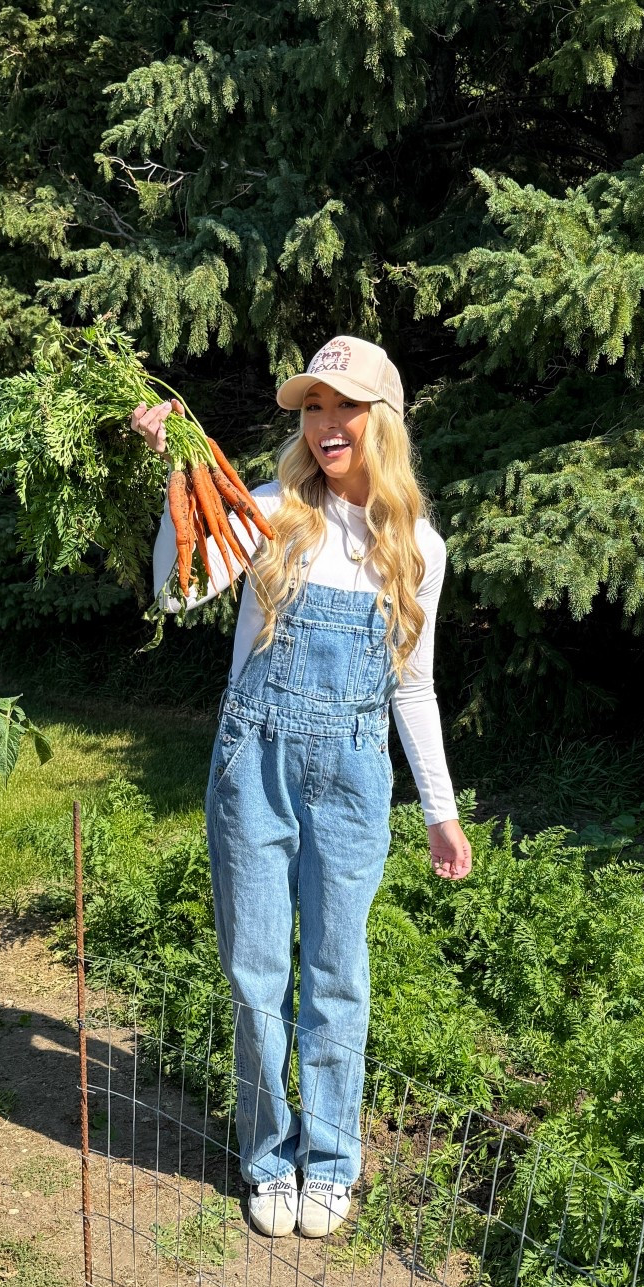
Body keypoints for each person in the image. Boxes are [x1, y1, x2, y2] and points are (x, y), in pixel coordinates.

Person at [132, 334, 472, 1240]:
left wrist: (439, 809)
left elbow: (413, 685)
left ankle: (331, 1160)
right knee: (255, 971)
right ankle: (266, 1154)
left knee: (336, 972)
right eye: (312, 409)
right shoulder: (273, 509)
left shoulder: (418, 549)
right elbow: (176, 593)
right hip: (257, 762)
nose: (324, 426)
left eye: (343, 408)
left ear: (382, 420)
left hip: (356, 775)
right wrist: (178, 480)